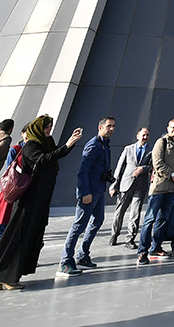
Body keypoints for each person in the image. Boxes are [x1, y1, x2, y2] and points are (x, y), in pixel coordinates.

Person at [0, 115, 83, 290]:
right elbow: (43, 159)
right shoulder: (31, 146)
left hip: (40, 198)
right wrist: (66, 145)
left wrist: (70, 142)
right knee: (19, 234)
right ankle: (5, 274)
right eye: (46, 127)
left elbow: (55, 154)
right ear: (37, 128)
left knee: (30, 235)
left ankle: (7, 273)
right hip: (29, 199)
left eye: (50, 127)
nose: (49, 130)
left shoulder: (43, 144)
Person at [60, 116, 115, 275]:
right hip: (89, 192)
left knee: (98, 220)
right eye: (108, 126)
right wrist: (85, 192)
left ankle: (82, 255)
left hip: (99, 190)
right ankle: (65, 261)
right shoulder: (94, 145)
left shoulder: (105, 145)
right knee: (78, 226)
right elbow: (82, 171)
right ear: (100, 127)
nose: (111, 129)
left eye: (113, 126)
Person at [138, 118, 174, 264]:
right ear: (168, 128)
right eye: (172, 127)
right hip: (159, 188)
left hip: (172, 189)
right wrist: (172, 174)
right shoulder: (161, 142)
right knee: (150, 219)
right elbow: (157, 162)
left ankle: (156, 247)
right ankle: (142, 251)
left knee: (162, 219)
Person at [109, 127, 152, 248]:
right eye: (143, 135)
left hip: (140, 185)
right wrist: (114, 185)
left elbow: (153, 167)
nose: (145, 137)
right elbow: (119, 167)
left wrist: (143, 169)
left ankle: (130, 238)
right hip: (126, 184)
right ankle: (114, 235)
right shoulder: (128, 149)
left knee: (135, 213)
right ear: (138, 135)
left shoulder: (151, 150)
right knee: (120, 211)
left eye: (147, 135)